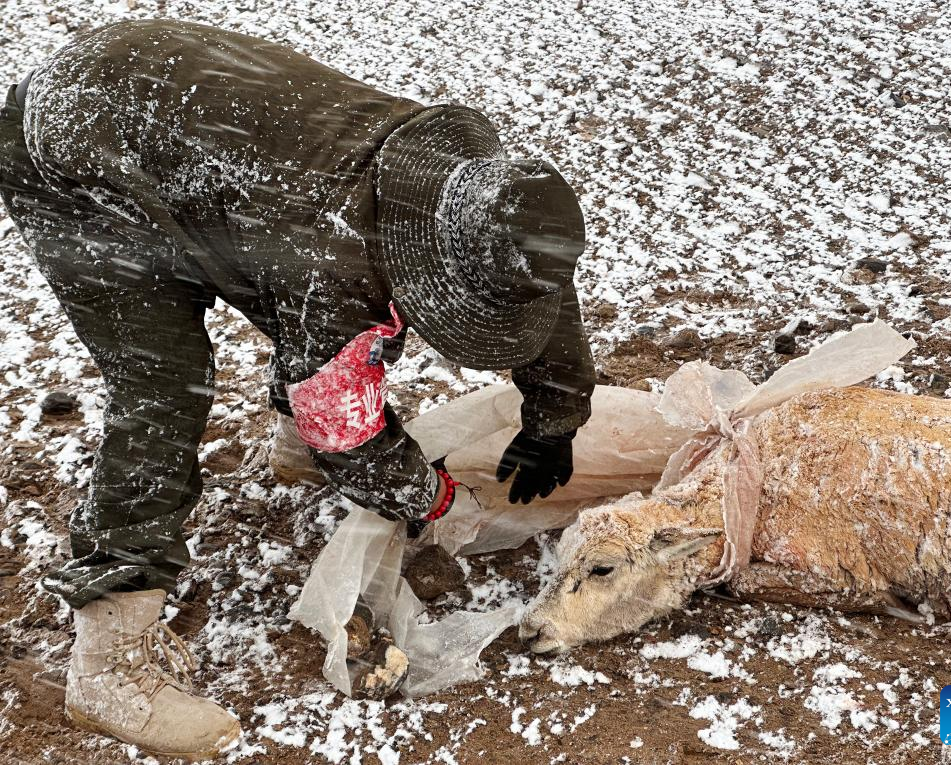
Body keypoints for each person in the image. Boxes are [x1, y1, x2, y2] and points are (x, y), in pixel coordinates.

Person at [0, 19, 595, 760]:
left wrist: (557, 413)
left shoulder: (470, 190)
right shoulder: (336, 254)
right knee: (163, 383)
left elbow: (538, 278)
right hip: (77, 156)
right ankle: (110, 660)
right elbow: (347, 423)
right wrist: (433, 500)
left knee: (325, 299)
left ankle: (291, 445)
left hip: (183, 115)